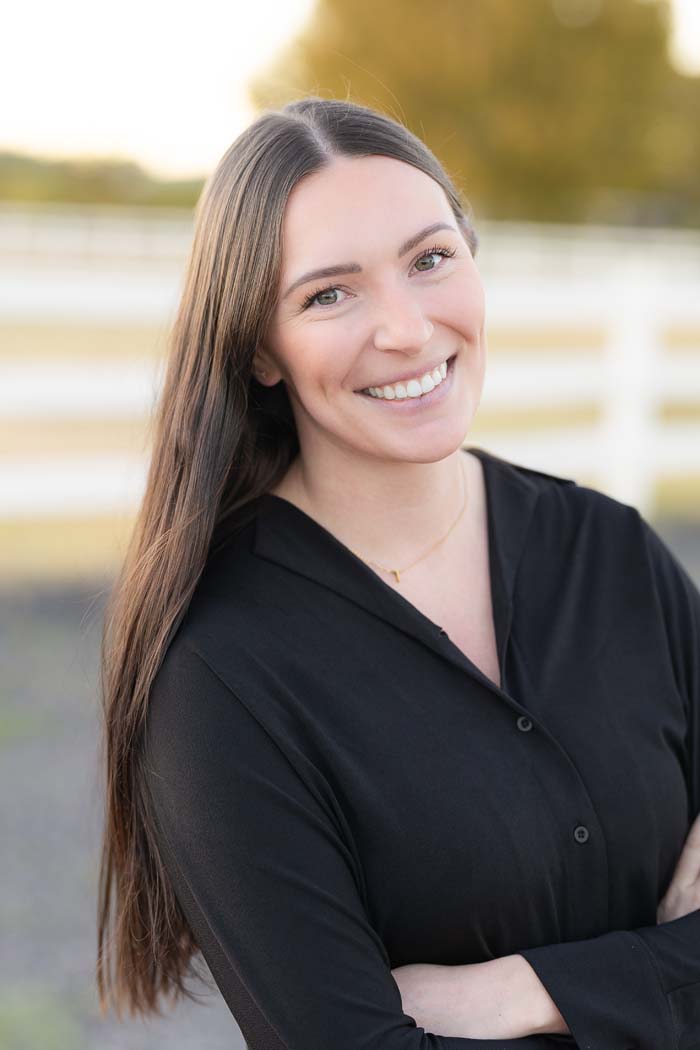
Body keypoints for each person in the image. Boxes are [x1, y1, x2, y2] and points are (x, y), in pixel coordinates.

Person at [96, 96, 700, 1049]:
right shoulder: (222, 673)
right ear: (259, 346)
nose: (410, 330)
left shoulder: (611, 553)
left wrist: (525, 994)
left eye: (430, 260)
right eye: (330, 293)